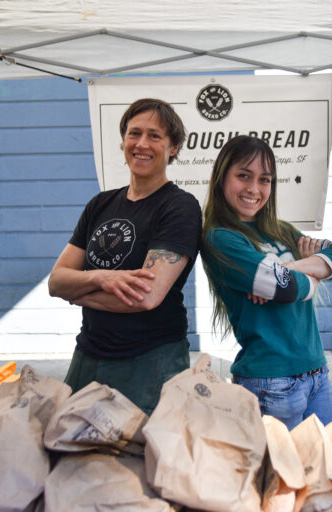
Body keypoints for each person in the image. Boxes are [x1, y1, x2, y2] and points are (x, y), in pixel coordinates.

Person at [48, 98, 201, 414]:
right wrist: (102, 277)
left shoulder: (179, 207)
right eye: (134, 133)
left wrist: (76, 293)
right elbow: (56, 281)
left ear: (173, 148)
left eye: (154, 136)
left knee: (140, 458)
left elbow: (145, 297)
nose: (142, 144)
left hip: (151, 361)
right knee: (73, 454)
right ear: (123, 142)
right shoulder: (100, 205)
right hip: (88, 355)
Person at [200, 135, 332, 430]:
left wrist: (287, 268)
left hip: (316, 374)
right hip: (271, 383)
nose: (254, 189)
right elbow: (287, 289)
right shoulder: (220, 238)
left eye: (264, 179)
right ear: (221, 179)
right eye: (243, 176)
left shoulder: (280, 230)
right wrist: (312, 277)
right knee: (283, 474)